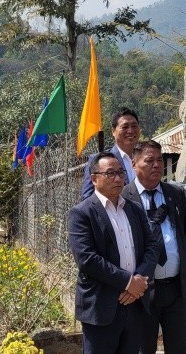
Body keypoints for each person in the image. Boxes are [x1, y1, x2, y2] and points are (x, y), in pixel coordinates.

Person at [67, 152, 159, 354]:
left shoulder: (134, 209)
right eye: (110, 173)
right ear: (94, 179)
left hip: (135, 304)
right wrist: (128, 282)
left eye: (120, 173)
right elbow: (87, 259)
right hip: (101, 307)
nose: (118, 179)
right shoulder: (82, 213)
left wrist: (141, 279)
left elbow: (152, 246)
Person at [122, 140, 186, 354]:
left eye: (159, 160)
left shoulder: (174, 194)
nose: (157, 165)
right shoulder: (123, 198)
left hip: (176, 288)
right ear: (134, 164)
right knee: (143, 347)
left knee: (178, 347)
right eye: (149, 161)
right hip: (142, 291)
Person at [80, 107, 142, 200]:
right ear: (113, 131)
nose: (130, 131)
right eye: (125, 127)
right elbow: (87, 198)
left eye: (134, 126)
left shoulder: (147, 159)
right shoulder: (98, 161)